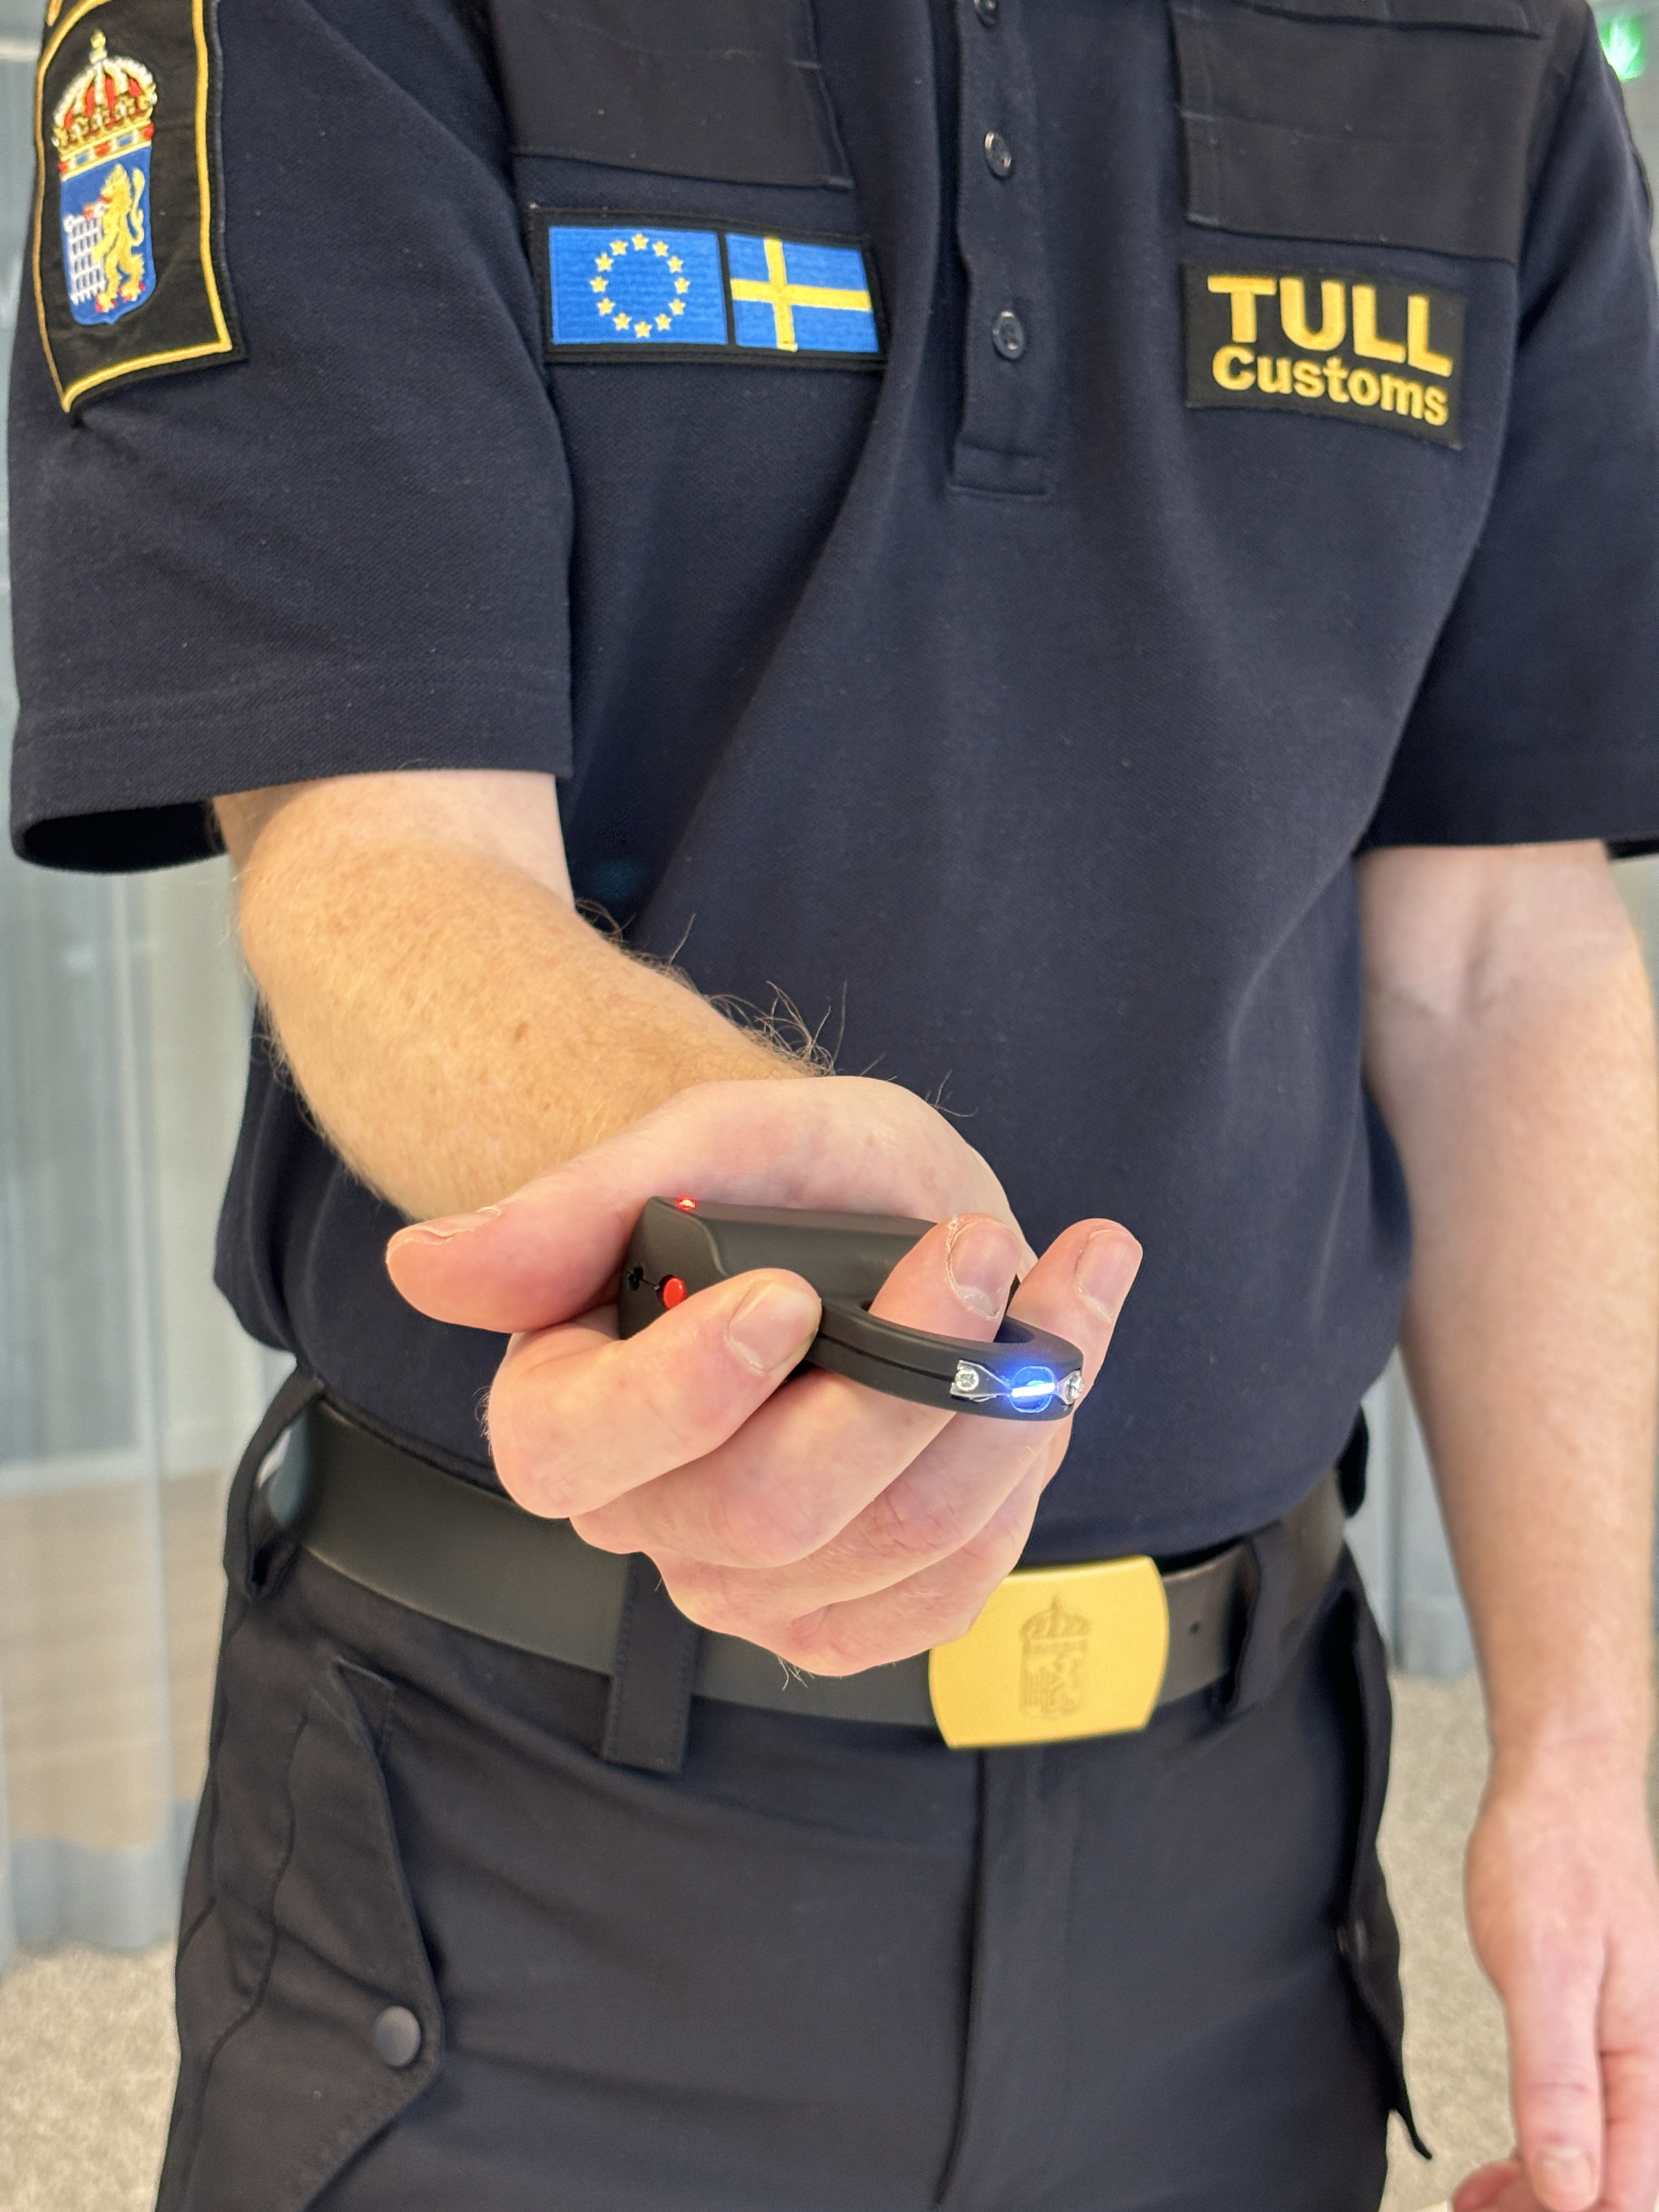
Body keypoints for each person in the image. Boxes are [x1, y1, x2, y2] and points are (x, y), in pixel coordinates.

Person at [11, 0, 1659, 2204]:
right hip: (520, 1858)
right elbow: (379, 855)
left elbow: (1501, 956)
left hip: (1237, 1871)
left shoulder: (1497, 47)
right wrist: (741, 1176)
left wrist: (1584, 1748)